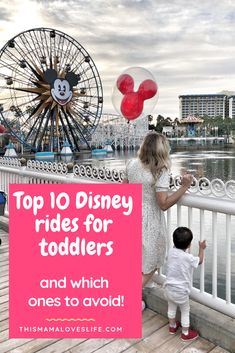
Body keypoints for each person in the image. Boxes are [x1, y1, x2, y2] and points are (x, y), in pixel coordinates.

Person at [123, 132, 193, 307]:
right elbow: (163, 203)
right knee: (152, 261)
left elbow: (123, 190)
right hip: (150, 220)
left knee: (135, 258)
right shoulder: (160, 170)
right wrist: (184, 187)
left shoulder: (131, 164)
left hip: (131, 213)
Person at [164, 227, 206, 341]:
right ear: (189, 245)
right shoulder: (188, 258)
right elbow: (200, 260)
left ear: (173, 242)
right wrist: (202, 249)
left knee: (171, 307)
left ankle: (172, 327)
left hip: (168, 288)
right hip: (181, 292)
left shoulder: (171, 252)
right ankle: (185, 333)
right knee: (185, 311)